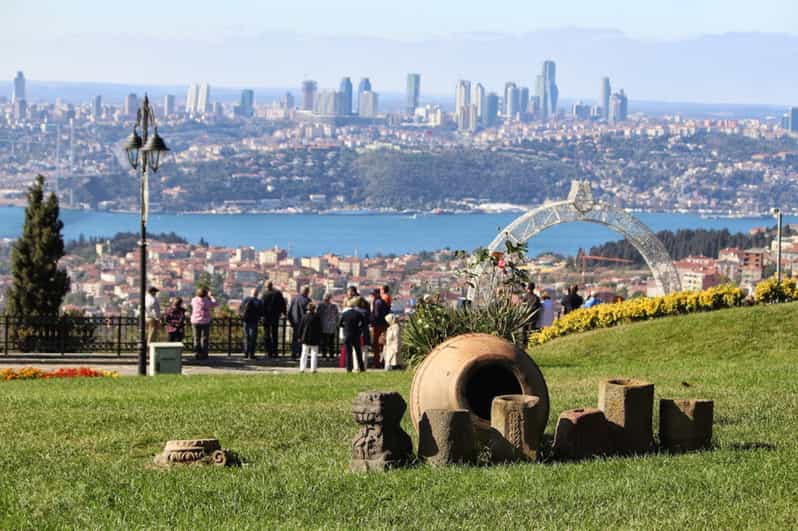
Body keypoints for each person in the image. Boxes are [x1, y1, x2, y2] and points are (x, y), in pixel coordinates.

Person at [190, 287, 218, 360]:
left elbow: (192, 303)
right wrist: (211, 296)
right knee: (204, 338)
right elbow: (215, 303)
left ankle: (197, 353)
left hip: (195, 321)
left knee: (196, 338)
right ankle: (204, 354)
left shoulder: (194, 300)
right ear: (205, 294)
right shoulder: (207, 301)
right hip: (205, 321)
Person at [260, 281, 286, 358]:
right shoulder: (278, 293)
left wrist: (261, 315)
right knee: (275, 334)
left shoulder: (264, 294)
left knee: (267, 334)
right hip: (275, 316)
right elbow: (282, 304)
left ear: (266, 286)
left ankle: (268, 352)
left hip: (266, 317)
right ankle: (275, 351)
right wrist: (283, 313)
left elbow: (262, 306)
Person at [339, 298, 366, 372]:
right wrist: (359, 328)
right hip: (356, 334)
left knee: (348, 353)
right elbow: (363, 323)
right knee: (358, 352)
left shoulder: (344, 314)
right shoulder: (358, 313)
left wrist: (345, 327)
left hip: (347, 334)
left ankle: (349, 368)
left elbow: (340, 324)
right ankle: (362, 368)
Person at [287, 286, 311, 359]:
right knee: (303, 339)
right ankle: (301, 354)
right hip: (304, 323)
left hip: (295, 322)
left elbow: (289, 311)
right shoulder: (307, 300)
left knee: (295, 339)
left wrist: (291, 321)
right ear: (307, 292)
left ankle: (293, 354)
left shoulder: (294, 298)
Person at [298, 302, 322, 373]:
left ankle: (302, 369)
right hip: (315, 338)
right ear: (314, 309)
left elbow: (301, 328)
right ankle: (313, 369)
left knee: (304, 354)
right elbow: (320, 328)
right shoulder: (317, 317)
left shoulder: (304, 317)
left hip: (305, 337)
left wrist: (299, 336)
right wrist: (320, 337)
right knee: (314, 354)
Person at [239, 287, 262, 359]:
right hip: (254, 321)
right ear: (257, 294)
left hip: (246, 320)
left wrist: (242, 316)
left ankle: (246, 353)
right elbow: (261, 312)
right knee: (253, 338)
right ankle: (251, 354)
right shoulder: (258, 301)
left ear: (251, 293)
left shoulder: (246, 299)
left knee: (246, 337)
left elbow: (240, 308)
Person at [370, 288, 390, 368]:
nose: (372, 296)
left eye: (373, 294)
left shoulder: (377, 302)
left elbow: (376, 315)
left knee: (376, 345)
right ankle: (383, 362)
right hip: (383, 325)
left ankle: (377, 363)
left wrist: (372, 322)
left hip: (377, 325)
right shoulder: (382, 301)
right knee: (383, 344)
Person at [317, 293, 340, 358]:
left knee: (325, 341)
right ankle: (330, 354)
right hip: (331, 326)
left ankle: (325, 354)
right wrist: (336, 323)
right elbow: (337, 316)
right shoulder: (334, 306)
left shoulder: (321, 306)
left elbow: (318, 315)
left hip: (324, 326)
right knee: (330, 342)